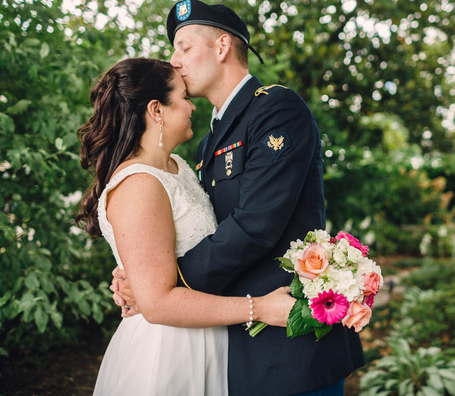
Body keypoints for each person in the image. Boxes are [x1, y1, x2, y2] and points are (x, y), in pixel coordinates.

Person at [112, 0, 365, 395]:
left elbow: (256, 225)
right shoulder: (209, 138)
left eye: (184, 47)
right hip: (232, 342)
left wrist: (163, 285)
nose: (174, 60)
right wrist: (145, 276)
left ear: (222, 46)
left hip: (289, 344)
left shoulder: (277, 109)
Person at [75, 57, 295, 395]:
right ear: (157, 110)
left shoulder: (178, 166)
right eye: (183, 97)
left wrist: (139, 279)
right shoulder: (138, 185)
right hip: (167, 351)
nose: (192, 106)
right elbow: (159, 302)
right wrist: (261, 307)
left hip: (209, 339)